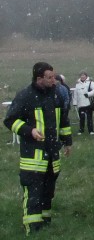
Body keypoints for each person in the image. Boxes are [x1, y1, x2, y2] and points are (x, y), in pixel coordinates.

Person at [3, 62, 73, 233]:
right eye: (49, 78)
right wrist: (29, 131)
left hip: (52, 154)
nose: (54, 81)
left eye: (54, 77)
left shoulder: (56, 95)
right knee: (33, 191)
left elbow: (63, 120)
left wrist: (67, 141)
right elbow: (10, 120)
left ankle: (45, 222)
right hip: (32, 156)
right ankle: (32, 228)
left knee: (48, 190)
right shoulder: (25, 96)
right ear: (39, 78)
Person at [72, 71, 94, 135]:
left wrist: (88, 94)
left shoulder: (91, 82)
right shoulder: (77, 84)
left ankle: (91, 130)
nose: (82, 76)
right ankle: (81, 130)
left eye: (84, 75)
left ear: (86, 76)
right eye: (81, 75)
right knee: (81, 118)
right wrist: (75, 102)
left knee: (89, 118)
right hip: (80, 104)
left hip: (88, 103)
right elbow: (75, 94)